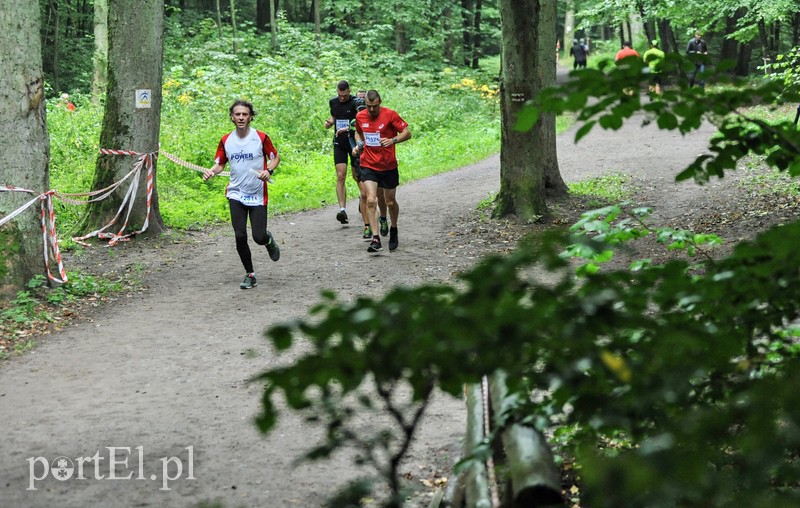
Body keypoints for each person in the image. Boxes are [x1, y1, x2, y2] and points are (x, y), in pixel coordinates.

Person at [203, 100, 281, 289]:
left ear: (250, 117)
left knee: (258, 236)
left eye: (244, 114)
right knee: (239, 235)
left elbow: (275, 157)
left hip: (256, 194)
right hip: (236, 194)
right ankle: (250, 274)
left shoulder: (261, 138)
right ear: (232, 116)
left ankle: (268, 240)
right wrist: (212, 171)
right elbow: (220, 163)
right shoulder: (226, 140)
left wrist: (268, 171)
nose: (241, 118)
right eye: (237, 114)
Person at [353, 90, 411, 253]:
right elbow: (358, 133)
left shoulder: (390, 115)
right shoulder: (360, 117)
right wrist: (359, 145)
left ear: (380, 103)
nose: (371, 110)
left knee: (390, 201)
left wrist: (393, 140)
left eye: (375, 106)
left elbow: (407, 132)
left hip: (388, 165)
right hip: (368, 164)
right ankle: (376, 238)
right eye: (369, 106)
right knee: (371, 199)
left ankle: (393, 228)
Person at [348, 101, 389, 240]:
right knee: (366, 196)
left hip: (379, 162)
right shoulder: (356, 121)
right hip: (361, 161)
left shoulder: (381, 118)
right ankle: (368, 228)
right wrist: (355, 148)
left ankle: (383, 218)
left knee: (380, 195)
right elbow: (353, 137)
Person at [324, 80, 360, 225]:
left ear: (349, 91)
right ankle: (342, 210)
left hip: (353, 141)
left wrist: (348, 129)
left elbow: (359, 121)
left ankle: (363, 197)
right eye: (340, 95)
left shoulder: (355, 103)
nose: (342, 98)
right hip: (339, 142)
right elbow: (334, 116)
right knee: (340, 175)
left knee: (357, 176)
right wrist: (330, 123)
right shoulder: (333, 102)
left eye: (345, 95)